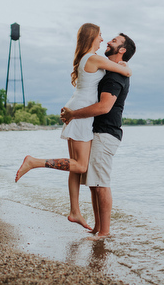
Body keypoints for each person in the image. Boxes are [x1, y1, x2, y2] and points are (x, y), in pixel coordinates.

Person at [15, 23, 131, 231]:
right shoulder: (95, 58)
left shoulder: (89, 58)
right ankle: (34, 162)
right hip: (80, 113)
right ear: (92, 37)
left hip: (77, 109)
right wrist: (125, 66)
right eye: (101, 36)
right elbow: (127, 71)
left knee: (76, 167)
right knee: (80, 166)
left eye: (109, 39)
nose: (103, 39)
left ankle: (75, 211)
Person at [60, 32, 135, 237]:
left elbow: (104, 107)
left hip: (106, 132)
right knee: (94, 183)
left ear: (122, 50)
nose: (108, 41)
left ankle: (105, 233)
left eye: (114, 41)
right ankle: (97, 228)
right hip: (97, 131)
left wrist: (74, 114)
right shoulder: (109, 70)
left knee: (101, 184)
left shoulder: (115, 75)